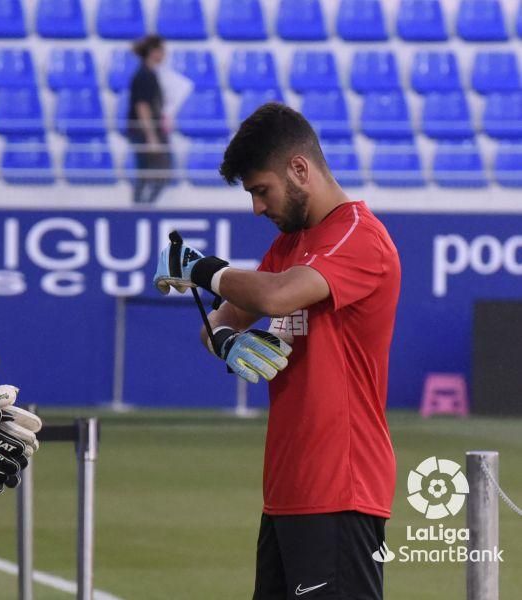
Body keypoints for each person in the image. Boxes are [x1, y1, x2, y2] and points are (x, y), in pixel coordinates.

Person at [154, 103, 400, 600]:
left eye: (260, 191)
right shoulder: (291, 245)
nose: (258, 208)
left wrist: (200, 267)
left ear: (300, 169)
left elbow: (273, 296)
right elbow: (223, 319)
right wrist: (224, 340)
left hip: (340, 489)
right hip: (288, 492)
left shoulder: (360, 237)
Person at [127, 34, 172, 205]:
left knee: (149, 174)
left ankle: (142, 206)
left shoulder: (149, 73)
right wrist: (151, 136)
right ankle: (141, 208)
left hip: (148, 130)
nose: (164, 55)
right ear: (153, 52)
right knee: (152, 173)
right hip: (145, 132)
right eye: (162, 50)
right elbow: (142, 107)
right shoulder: (144, 75)